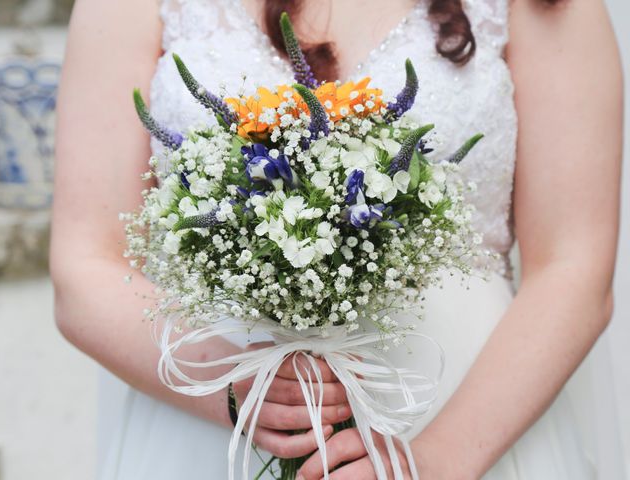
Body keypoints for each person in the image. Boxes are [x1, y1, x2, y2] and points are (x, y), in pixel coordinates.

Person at [50, 0, 624, 478]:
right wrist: (231, 387)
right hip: (215, 436)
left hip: (470, 420)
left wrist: (435, 461)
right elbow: (85, 265)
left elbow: (573, 265)